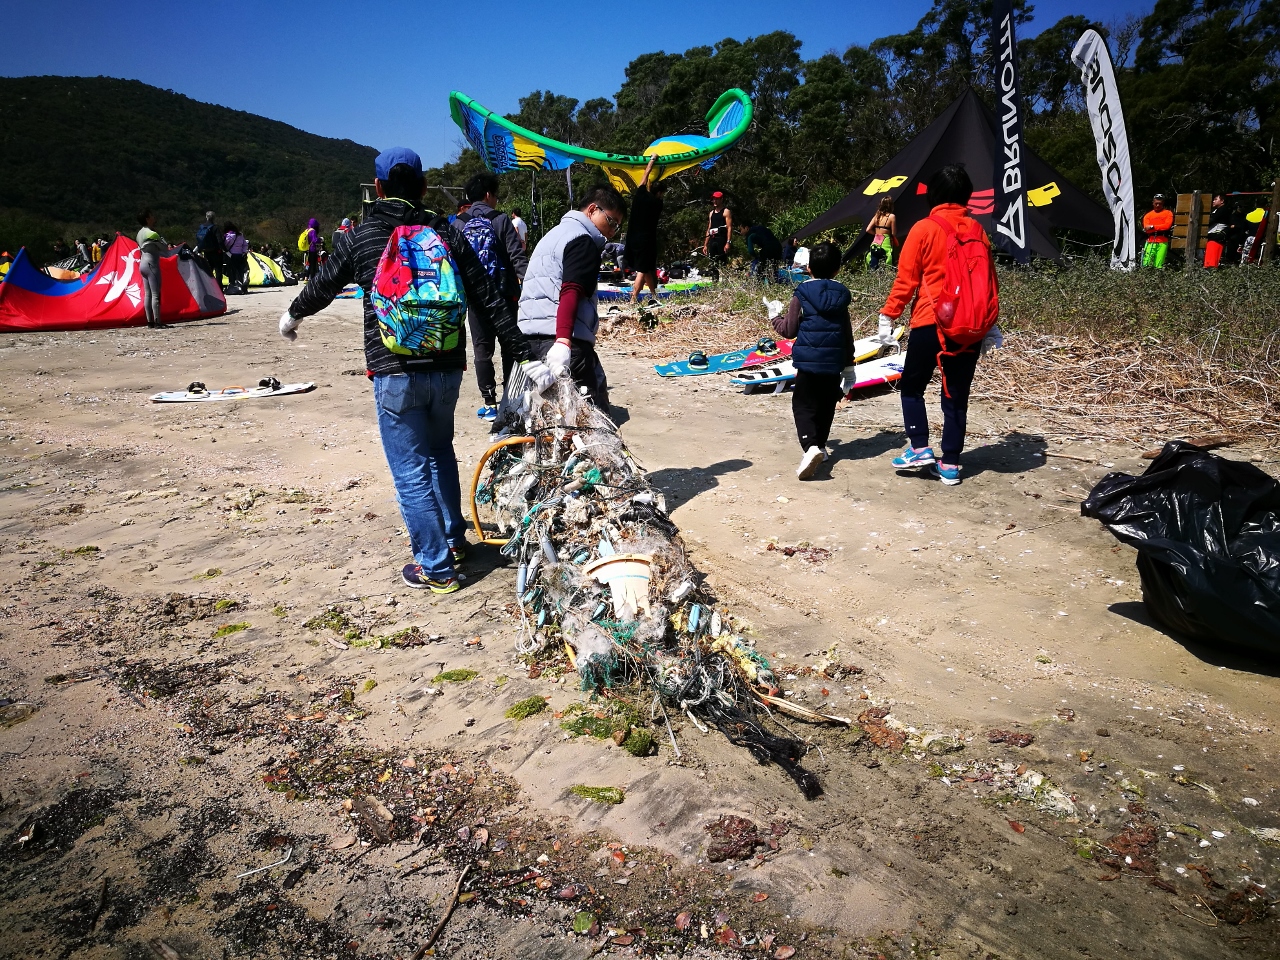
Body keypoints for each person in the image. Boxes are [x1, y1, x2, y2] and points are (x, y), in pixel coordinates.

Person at [279, 147, 551, 595]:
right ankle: (454, 541)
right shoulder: (444, 231)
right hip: (446, 367)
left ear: (378, 188)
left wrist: (292, 316)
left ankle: (436, 568)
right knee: (440, 450)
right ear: (424, 187)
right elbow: (487, 295)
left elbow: (322, 285)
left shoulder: (361, 235)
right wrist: (525, 356)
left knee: (410, 469)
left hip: (394, 370)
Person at [877, 164, 1000, 487]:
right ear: (966, 195)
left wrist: (888, 316)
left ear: (933, 194)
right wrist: (991, 324)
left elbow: (906, 281)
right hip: (969, 326)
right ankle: (951, 464)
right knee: (957, 395)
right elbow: (988, 280)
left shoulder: (924, 228)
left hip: (930, 321)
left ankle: (919, 447)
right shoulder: (977, 229)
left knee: (912, 387)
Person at [518, 184, 628, 413]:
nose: (613, 231)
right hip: (564, 340)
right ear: (592, 210)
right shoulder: (582, 240)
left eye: (618, 226)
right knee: (587, 418)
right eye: (611, 221)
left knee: (537, 415)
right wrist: (563, 342)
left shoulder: (551, 236)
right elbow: (571, 290)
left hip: (529, 340)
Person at [770, 242, 856, 479]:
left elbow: (789, 330)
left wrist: (774, 316)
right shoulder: (841, 295)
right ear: (837, 269)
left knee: (803, 405)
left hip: (808, 361)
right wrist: (849, 365)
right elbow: (847, 333)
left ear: (808, 268)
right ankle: (821, 446)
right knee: (826, 405)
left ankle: (810, 447)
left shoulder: (802, 292)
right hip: (834, 361)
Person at [455, 171, 530, 420]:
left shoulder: (458, 223)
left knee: (482, 350)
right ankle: (510, 399)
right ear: (488, 195)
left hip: (476, 299)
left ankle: (489, 403)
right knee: (509, 347)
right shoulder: (501, 220)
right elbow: (516, 256)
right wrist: (530, 284)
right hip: (505, 295)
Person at [625, 155, 666, 304]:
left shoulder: (640, 194)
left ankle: (654, 295)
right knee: (642, 269)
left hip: (632, 237)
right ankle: (633, 299)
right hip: (646, 239)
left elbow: (645, 176)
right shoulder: (658, 204)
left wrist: (651, 161)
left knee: (648, 267)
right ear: (659, 193)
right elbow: (654, 196)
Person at [136, 210, 168, 328]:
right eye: (152, 216)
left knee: (148, 294)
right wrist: (159, 235)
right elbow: (165, 248)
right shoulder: (152, 233)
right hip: (151, 264)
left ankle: (150, 322)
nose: (154, 217)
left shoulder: (139, 233)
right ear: (147, 219)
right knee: (155, 294)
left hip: (143, 264)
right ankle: (158, 321)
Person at [703, 191, 732, 279]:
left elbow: (729, 228)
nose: (714, 201)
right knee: (713, 263)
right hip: (713, 239)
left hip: (721, 239)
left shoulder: (726, 212)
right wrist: (705, 245)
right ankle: (715, 281)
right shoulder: (711, 213)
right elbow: (709, 228)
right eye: (713, 199)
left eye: (717, 199)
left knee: (722, 262)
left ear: (721, 199)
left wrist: (728, 242)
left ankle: (725, 282)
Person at [1141, 194, 1174, 269]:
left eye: (1160, 203)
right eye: (1156, 203)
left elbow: (1167, 226)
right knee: (1146, 263)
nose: (1158, 205)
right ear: (1153, 203)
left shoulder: (1168, 213)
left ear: (1163, 203)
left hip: (1162, 242)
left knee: (1159, 265)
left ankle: (1158, 275)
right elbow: (1146, 228)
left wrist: (1153, 227)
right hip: (1150, 242)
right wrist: (1159, 227)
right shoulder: (1148, 215)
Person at [865, 197, 897, 271]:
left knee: (874, 266)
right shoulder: (892, 216)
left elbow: (868, 229)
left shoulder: (877, 216)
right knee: (888, 264)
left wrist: (876, 234)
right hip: (886, 243)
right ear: (890, 205)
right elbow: (894, 233)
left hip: (875, 243)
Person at [195, 211, 225, 285]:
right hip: (216, 252)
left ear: (206, 217)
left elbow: (199, 240)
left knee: (209, 269)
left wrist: (199, 250)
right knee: (218, 270)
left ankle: (209, 287)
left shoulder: (201, 227)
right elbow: (220, 240)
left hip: (206, 251)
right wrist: (224, 249)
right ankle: (219, 287)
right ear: (214, 217)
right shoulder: (215, 227)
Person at [223, 222, 250, 291]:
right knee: (240, 271)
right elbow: (245, 244)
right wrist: (243, 252)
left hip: (231, 255)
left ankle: (233, 286)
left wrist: (227, 251)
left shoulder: (228, 236)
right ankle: (242, 285)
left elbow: (225, 245)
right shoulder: (240, 235)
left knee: (231, 271)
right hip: (240, 255)